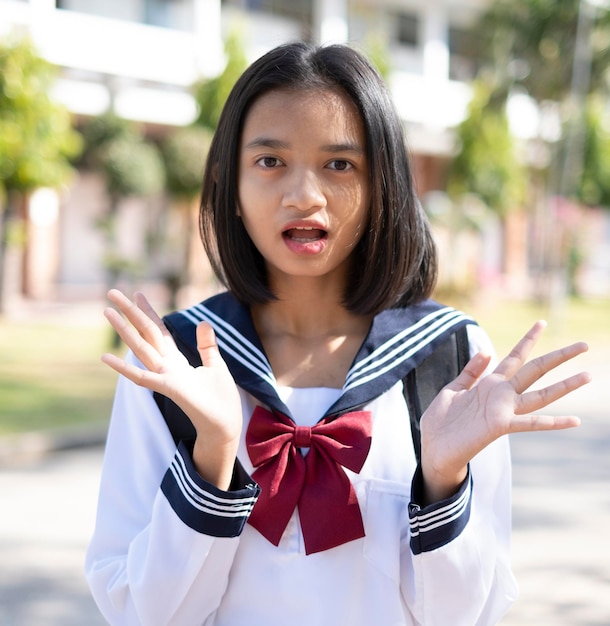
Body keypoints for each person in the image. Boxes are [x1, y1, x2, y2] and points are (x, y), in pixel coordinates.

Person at [85, 42, 590, 626]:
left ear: (384, 187)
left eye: (339, 164)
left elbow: (465, 616)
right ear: (230, 184)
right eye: (270, 161)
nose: (304, 195)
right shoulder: (173, 364)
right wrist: (213, 456)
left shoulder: (450, 358)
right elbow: (142, 614)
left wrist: (443, 481)